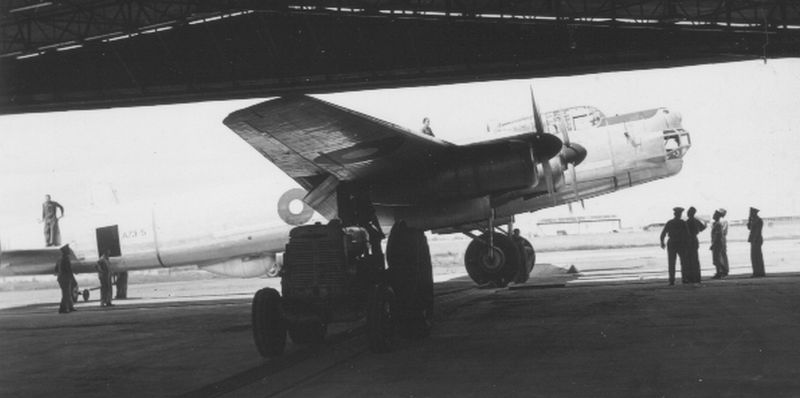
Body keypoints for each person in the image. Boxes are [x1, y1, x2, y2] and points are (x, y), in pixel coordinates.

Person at [660, 207, 689, 285]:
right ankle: (684, 278)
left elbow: (663, 233)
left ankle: (672, 280)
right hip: (680, 243)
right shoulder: (683, 222)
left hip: (672, 242)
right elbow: (687, 234)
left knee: (672, 262)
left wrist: (662, 242)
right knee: (683, 262)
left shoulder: (670, 222)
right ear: (679, 214)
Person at [685, 207, 706, 283]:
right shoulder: (696, 220)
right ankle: (697, 277)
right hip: (694, 239)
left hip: (689, 240)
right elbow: (703, 227)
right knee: (695, 259)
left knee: (690, 260)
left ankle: (691, 277)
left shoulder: (687, 221)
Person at [55, 245, 76, 313]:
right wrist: (73, 279)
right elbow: (69, 270)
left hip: (61, 278)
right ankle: (62, 308)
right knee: (66, 294)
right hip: (66, 278)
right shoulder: (66, 258)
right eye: (68, 249)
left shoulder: (59, 259)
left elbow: (55, 269)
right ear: (66, 251)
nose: (69, 250)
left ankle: (70, 307)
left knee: (67, 293)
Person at [710, 208, 729, 279]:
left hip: (718, 242)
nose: (713, 215)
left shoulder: (718, 224)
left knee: (717, 258)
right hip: (719, 242)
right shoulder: (717, 223)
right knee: (718, 258)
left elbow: (718, 235)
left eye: (715, 214)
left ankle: (721, 271)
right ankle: (722, 271)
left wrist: (713, 244)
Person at [747, 207, 765, 277]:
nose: (750, 214)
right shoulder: (754, 220)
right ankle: (757, 272)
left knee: (757, 257)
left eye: (751, 213)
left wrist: (754, 240)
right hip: (754, 240)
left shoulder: (758, 220)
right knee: (754, 257)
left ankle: (759, 272)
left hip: (756, 240)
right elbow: (749, 228)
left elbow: (757, 231)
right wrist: (749, 220)